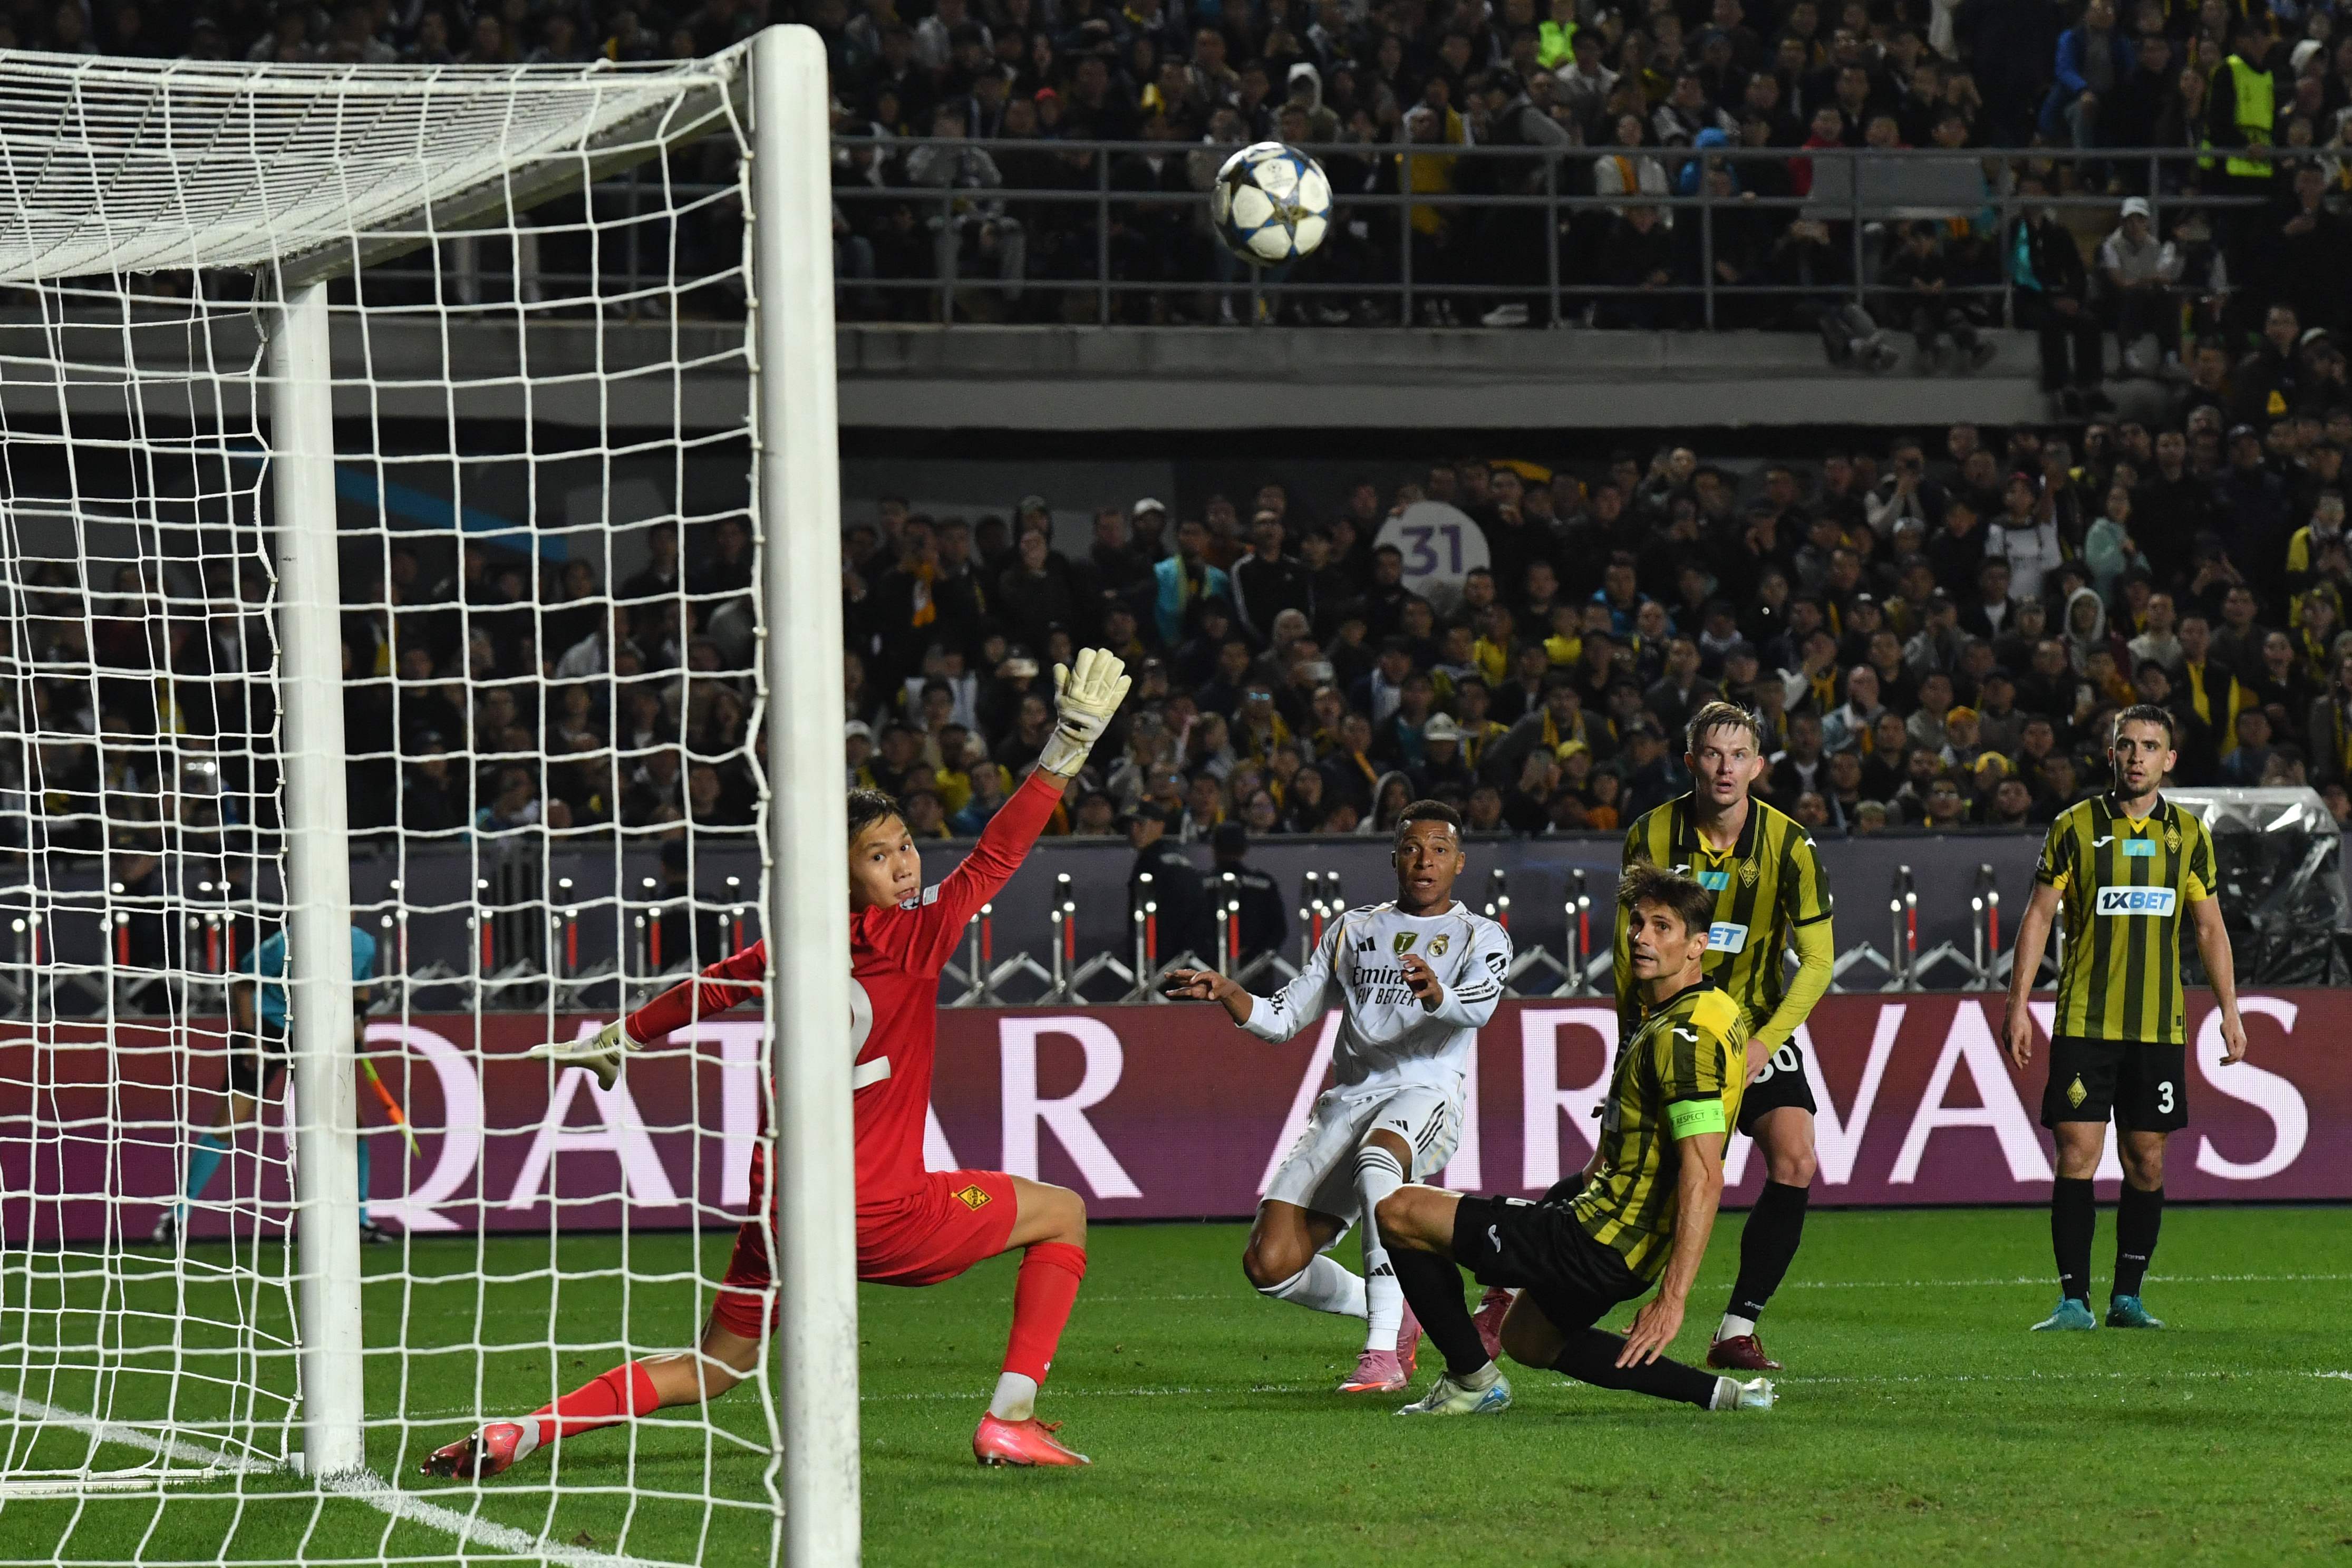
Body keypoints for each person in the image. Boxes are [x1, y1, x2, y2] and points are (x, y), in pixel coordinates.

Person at [428, 650, 1132, 1477]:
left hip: (779, 1209)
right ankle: (1010, 1419)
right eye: (881, 855)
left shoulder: (793, 943)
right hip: (879, 1212)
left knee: (718, 1365)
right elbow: (998, 853)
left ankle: (524, 1429)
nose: (905, 863)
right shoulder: (911, 939)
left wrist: (622, 1034)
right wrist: (1067, 746)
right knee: (1061, 1213)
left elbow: (713, 988)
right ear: (841, 872)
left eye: (905, 844)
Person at [1367, 864, 1774, 1417]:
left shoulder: (1685, 1035)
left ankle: (1471, 1382)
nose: (1642, 937)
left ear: (1698, 945)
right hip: (1623, 1249)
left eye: (1662, 927)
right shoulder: (1713, 1009)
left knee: (1398, 1210)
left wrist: (1673, 1301)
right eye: (1638, 923)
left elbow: (1703, 1171)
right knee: (1530, 1338)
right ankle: (1721, 1394)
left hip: (1599, 1239)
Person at [1163, 801, 1511, 1394]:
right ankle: (1400, 1308)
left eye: (1440, 849)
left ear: (1459, 863)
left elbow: (1476, 1005)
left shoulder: (1482, 934)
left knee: (1379, 1162)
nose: (1425, 860)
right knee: (1270, 1264)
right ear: (1394, 857)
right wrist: (1229, 992)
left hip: (1427, 1090)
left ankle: (1383, 1357)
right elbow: (1283, 1017)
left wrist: (1436, 994)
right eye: (1412, 848)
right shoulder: (1354, 929)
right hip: (1349, 1099)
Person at [2001, 704, 2249, 1334]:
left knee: (2146, 1161)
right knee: (2077, 1154)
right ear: (2111, 753)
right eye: (2126, 745)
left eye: (2149, 746)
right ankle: (2074, 1300)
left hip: (2157, 1027)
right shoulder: (2075, 826)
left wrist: (2230, 1010)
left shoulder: (2188, 835)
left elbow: (2210, 927)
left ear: (2169, 759)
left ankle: (2128, 1297)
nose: (2136, 756)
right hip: (2086, 1021)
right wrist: (2018, 1002)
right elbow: (2038, 915)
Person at [1609, 700, 1834, 1372]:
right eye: (1712, 754)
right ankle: (1519, 1285)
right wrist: (1630, 1041)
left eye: (1738, 756)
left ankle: (1737, 1326)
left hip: (1754, 1026)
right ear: (1690, 763)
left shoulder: (1791, 844)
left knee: (1795, 1157)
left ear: (1759, 766)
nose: (1725, 768)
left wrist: (1764, 1044)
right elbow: (1631, 949)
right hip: (1674, 1030)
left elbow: (1819, 961)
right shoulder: (1652, 833)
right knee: (1637, 1175)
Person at [153, 918, 384, 1247]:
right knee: (229, 1121)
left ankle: (358, 1220)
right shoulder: (281, 945)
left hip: (318, 1033)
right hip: (267, 1029)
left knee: (352, 1124)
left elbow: (361, 984)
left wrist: (360, 1019)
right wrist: (250, 1038)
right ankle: (177, 1217)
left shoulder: (362, 944)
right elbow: (244, 984)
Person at [1208, 820, 1288, 966]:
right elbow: (1278, 930)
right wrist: (1253, 956)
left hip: (1208, 970)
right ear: (1244, 849)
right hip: (1256, 974)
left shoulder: (1200, 885)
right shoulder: (1264, 885)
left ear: (1214, 849)